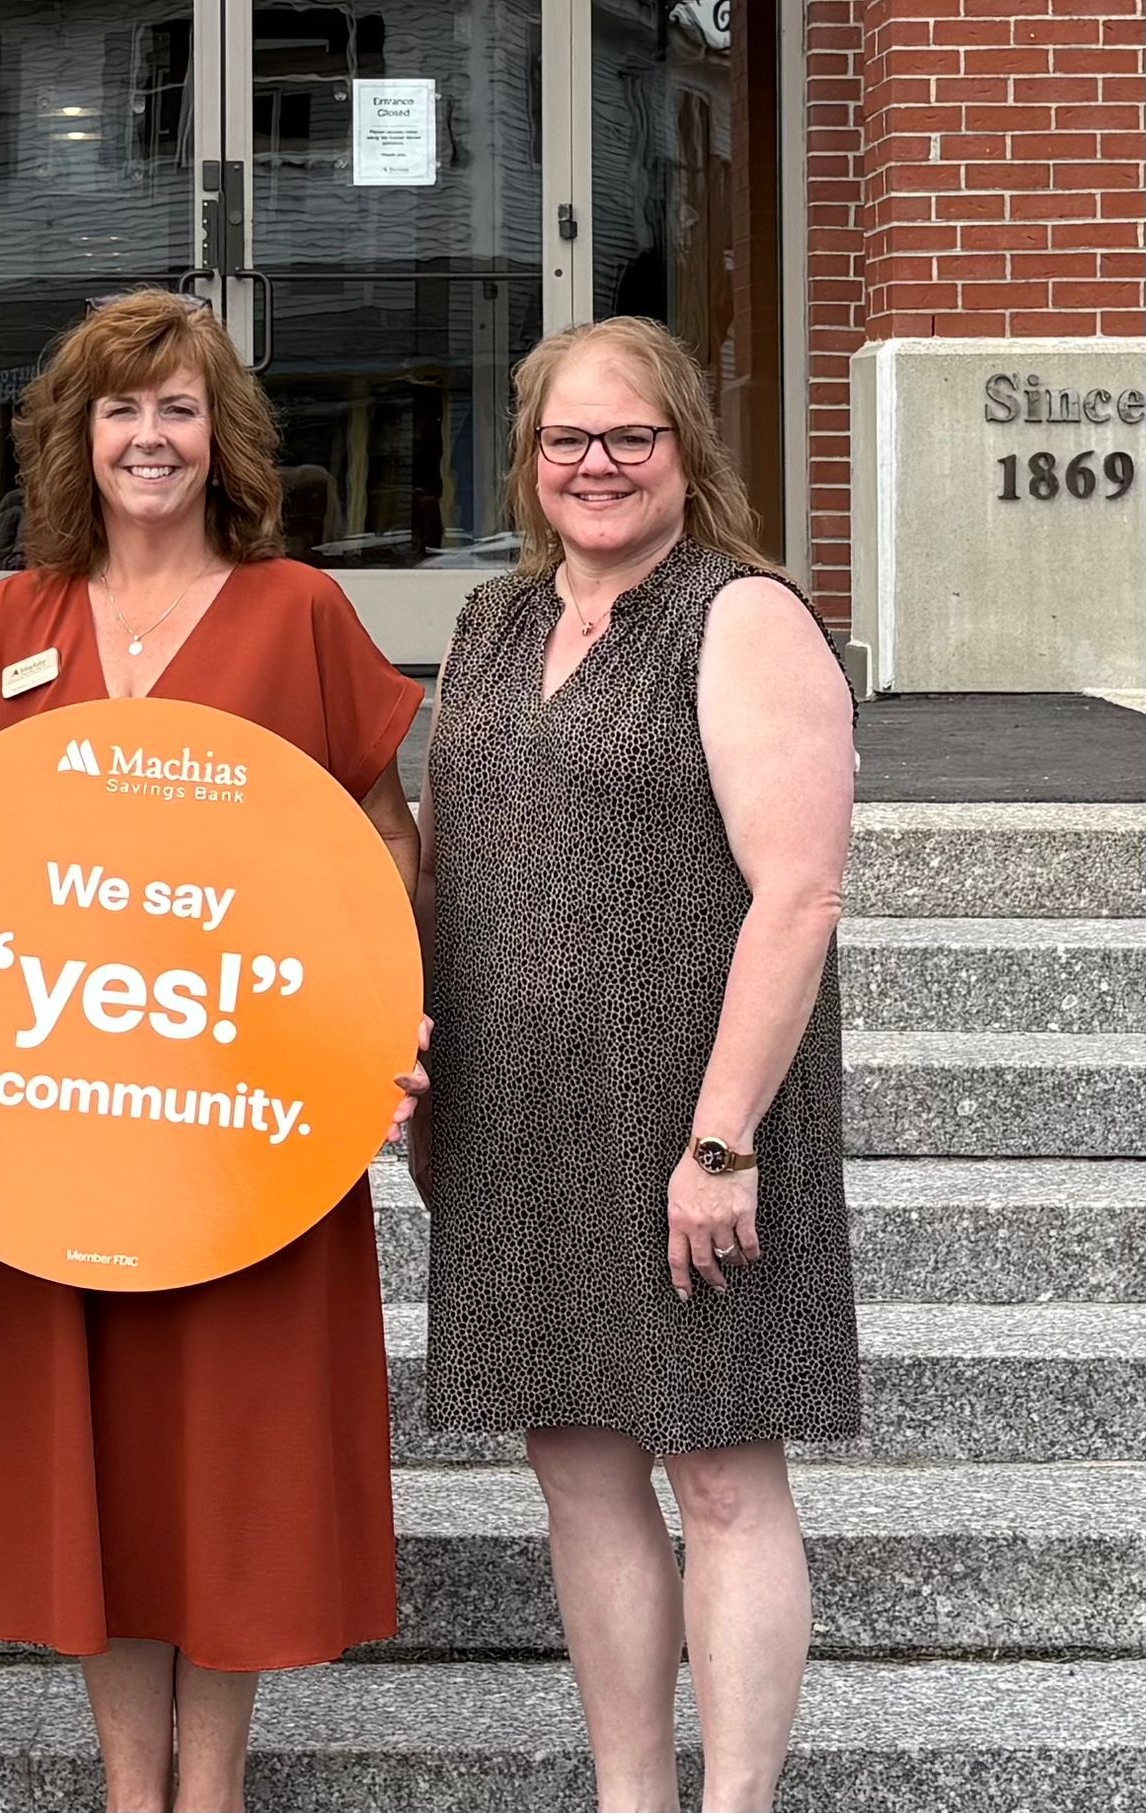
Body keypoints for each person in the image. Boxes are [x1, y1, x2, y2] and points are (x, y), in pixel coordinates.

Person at [0, 288, 425, 1813]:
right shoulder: (16, 622)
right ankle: (133, 1789)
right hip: (60, 1115)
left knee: (224, 1454)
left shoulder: (299, 609)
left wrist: (382, 1017)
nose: (149, 435)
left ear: (222, 434)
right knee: (100, 1464)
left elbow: (381, 845)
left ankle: (216, 1785)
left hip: (244, 1123)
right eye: (121, 408)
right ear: (77, 434)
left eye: (179, 406)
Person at [415, 316, 859, 1813]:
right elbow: (454, 871)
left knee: (722, 1473)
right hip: (523, 1117)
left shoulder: (741, 614)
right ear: (529, 454)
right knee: (581, 1469)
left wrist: (724, 1135)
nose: (596, 466)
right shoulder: (490, 622)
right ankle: (631, 1797)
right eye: (567, 440)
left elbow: (797, 892)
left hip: (694, 1114)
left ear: (685, 449)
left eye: (632, 439)